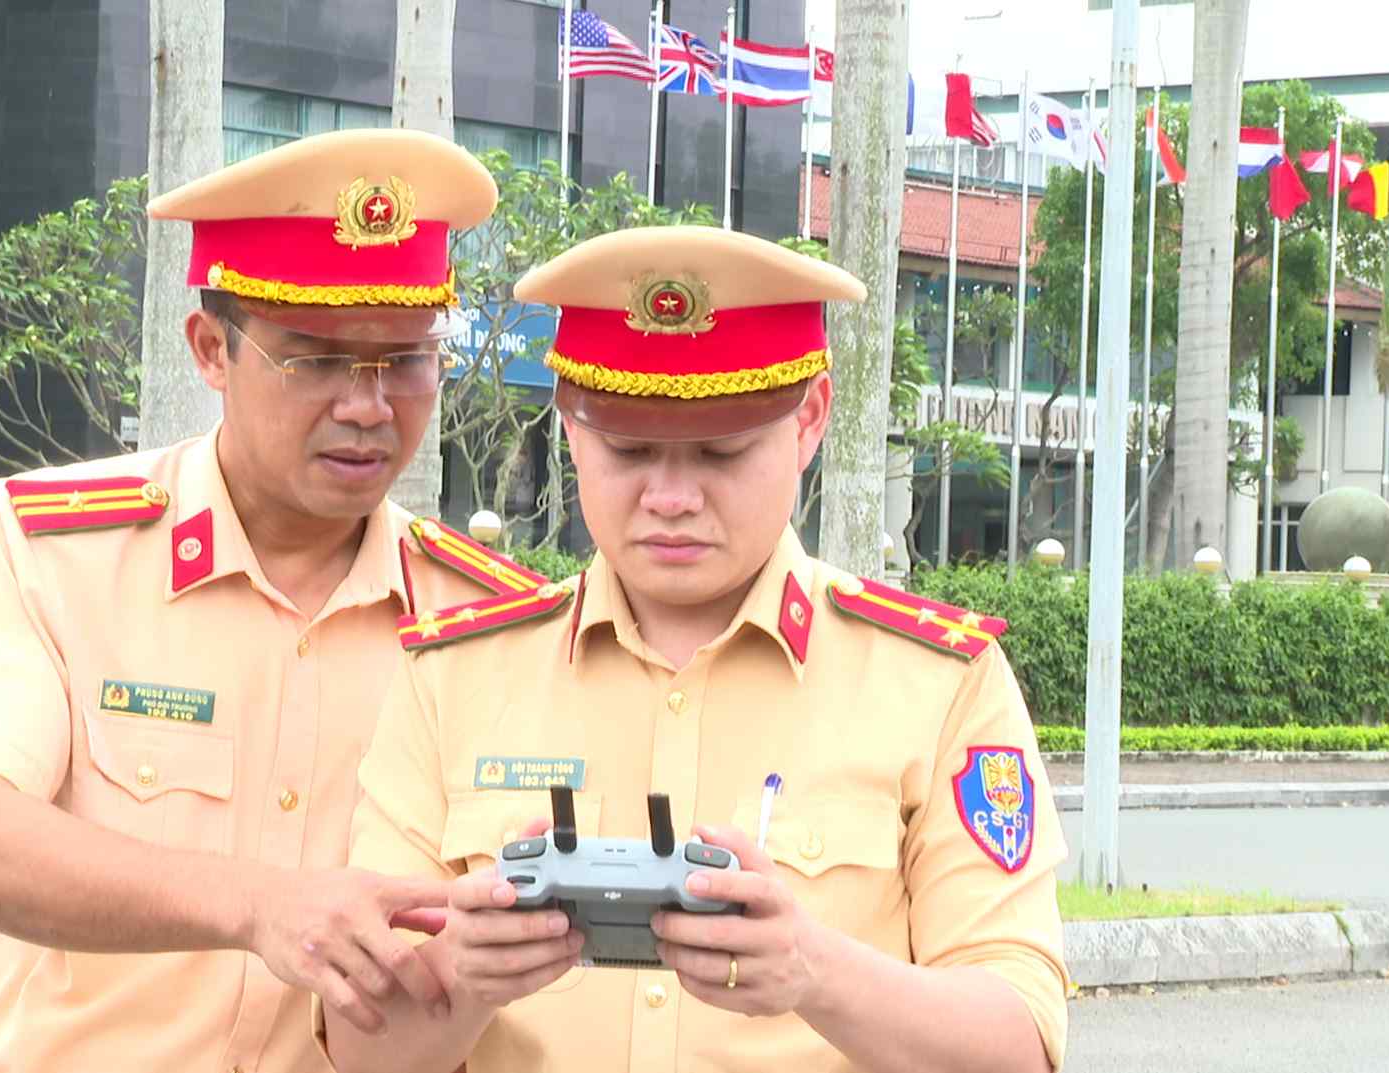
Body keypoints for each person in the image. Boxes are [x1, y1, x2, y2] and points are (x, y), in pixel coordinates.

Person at [330, 225, 1070, 1073]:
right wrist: (462, 975)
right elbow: (359, 1049)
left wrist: (814, 970)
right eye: (629, 448)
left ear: (809, 419)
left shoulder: (936, 685)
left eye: (721, 450)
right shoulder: (452, 677)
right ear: (570, 426)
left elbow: (1020, 1042)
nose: (672, 496)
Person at [0, 129, 525, 1073]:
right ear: (210, 350)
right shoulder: (42, 549)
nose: (367, 405)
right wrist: (258, 905)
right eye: (315, 361)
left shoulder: (492, 628)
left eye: (403, 360)